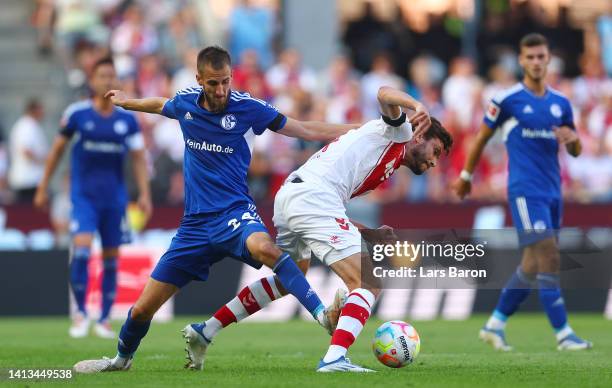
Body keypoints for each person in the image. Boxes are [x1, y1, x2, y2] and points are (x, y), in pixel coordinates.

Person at [73, 46, 359, 373]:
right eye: (213, 83)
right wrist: (128, 101)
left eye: (225, 82)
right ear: (199, 80)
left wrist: (362, 131)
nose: (221, 90)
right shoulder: (186, 102)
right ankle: (120, 360)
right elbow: (161, 105)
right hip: (194, 227)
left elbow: (304, 129)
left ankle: (323, 316)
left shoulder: (247, 107)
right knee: (141, 310)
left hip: (234, 213)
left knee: (267, 249)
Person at [196, 86, 452, 372]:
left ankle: (205, 331)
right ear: (420, 136)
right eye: (436, 151)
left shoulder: (384, 161)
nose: (433, 161)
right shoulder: (399, 133)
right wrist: (418, 105)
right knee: (367, 282)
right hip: (311, 198)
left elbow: (331, 210)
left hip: (294, 196)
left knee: (288, 279)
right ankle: (335, 358)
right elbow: (382, 93)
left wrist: (372, 234)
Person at [452, 33, 592, 351]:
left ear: (548, 59)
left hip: (553, 191)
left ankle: (494, 324)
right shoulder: (507, 100)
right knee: (549, 256)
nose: (536, 62)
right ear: (521, 61)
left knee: (531, 264)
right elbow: (481, 138)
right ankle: (564, 334)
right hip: (524, 191)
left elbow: (576, 150)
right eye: (530, 57)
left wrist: (572, 140)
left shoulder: (560, 103)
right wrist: (465, 175)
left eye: (541, 56)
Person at [34, 57, 152, 339]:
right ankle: (80, 314)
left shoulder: (127, 119)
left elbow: (138, 159)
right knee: (83, 249)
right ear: (92, 81)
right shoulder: (77, 114)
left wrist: (145, 193)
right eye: (102, 76)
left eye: (112, 77)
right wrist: (42, 186)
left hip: (114, 198)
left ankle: (103, 319)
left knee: (111, 258)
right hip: (84, 197)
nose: (108, 81)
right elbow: (57, 151)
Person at [8, 99, 48, 203]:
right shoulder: (26, 126)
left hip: (32, 180)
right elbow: (26, 150)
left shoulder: (31, 125)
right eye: (41, 109)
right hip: (28, 180)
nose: (43, 112)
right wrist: (43, 161)